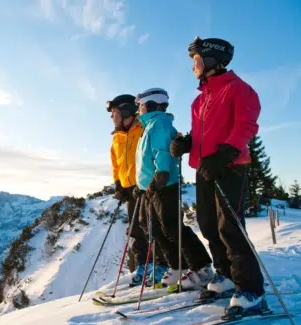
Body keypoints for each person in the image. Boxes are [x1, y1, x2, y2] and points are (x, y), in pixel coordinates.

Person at [170, 37, 264, 310]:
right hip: (205, 167)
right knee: (208, 224)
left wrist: (225, 154)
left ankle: (251, 289)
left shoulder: (239, 89)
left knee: (230, 227)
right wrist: (188, 143)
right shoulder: (201, 99)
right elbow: (203, 134)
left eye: (195, 60)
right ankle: (224, 276)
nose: (192, 67)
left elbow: (247, 125)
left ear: (211, 60)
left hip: (229, 166)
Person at [134, 88, 213, 289]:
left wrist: (161, 174)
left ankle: (202, 267)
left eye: (140, 106)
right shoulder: (150, 126)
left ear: (150, 105)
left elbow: (161, 152)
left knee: (172, 227)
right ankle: (178, 265)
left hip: (164, 185)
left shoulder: (159, 124)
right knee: (159, 230)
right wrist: (141, 185)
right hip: (151, 188)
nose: (139, 110)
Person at [107, 94, 168, 285]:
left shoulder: (142, 129)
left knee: (152, 227)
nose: (112, 118)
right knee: (136, 230)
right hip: (129, 190)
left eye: (114, 113)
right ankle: (144, 265)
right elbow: (115, 164)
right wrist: (119, 184)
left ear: (126, 112)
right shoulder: (117, 137)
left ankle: (162, 264)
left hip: (146, 186)